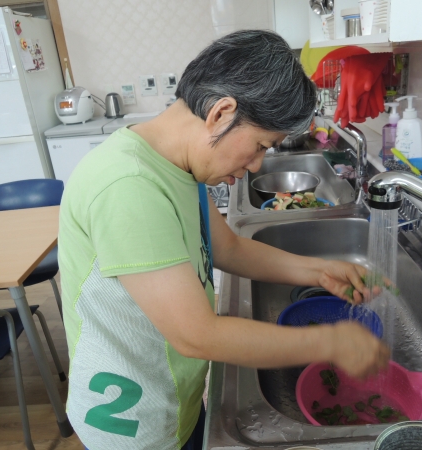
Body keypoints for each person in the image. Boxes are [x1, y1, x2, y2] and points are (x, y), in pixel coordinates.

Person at [58, 30, 389, 450]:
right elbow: (196, 335)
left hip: (174, 396)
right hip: (131, 423)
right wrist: (331, 342)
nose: (256, 165)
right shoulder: (129, 186)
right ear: (221, 113)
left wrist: (318, 271)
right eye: (260, 146)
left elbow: (227, 248)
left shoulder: (177, 165)